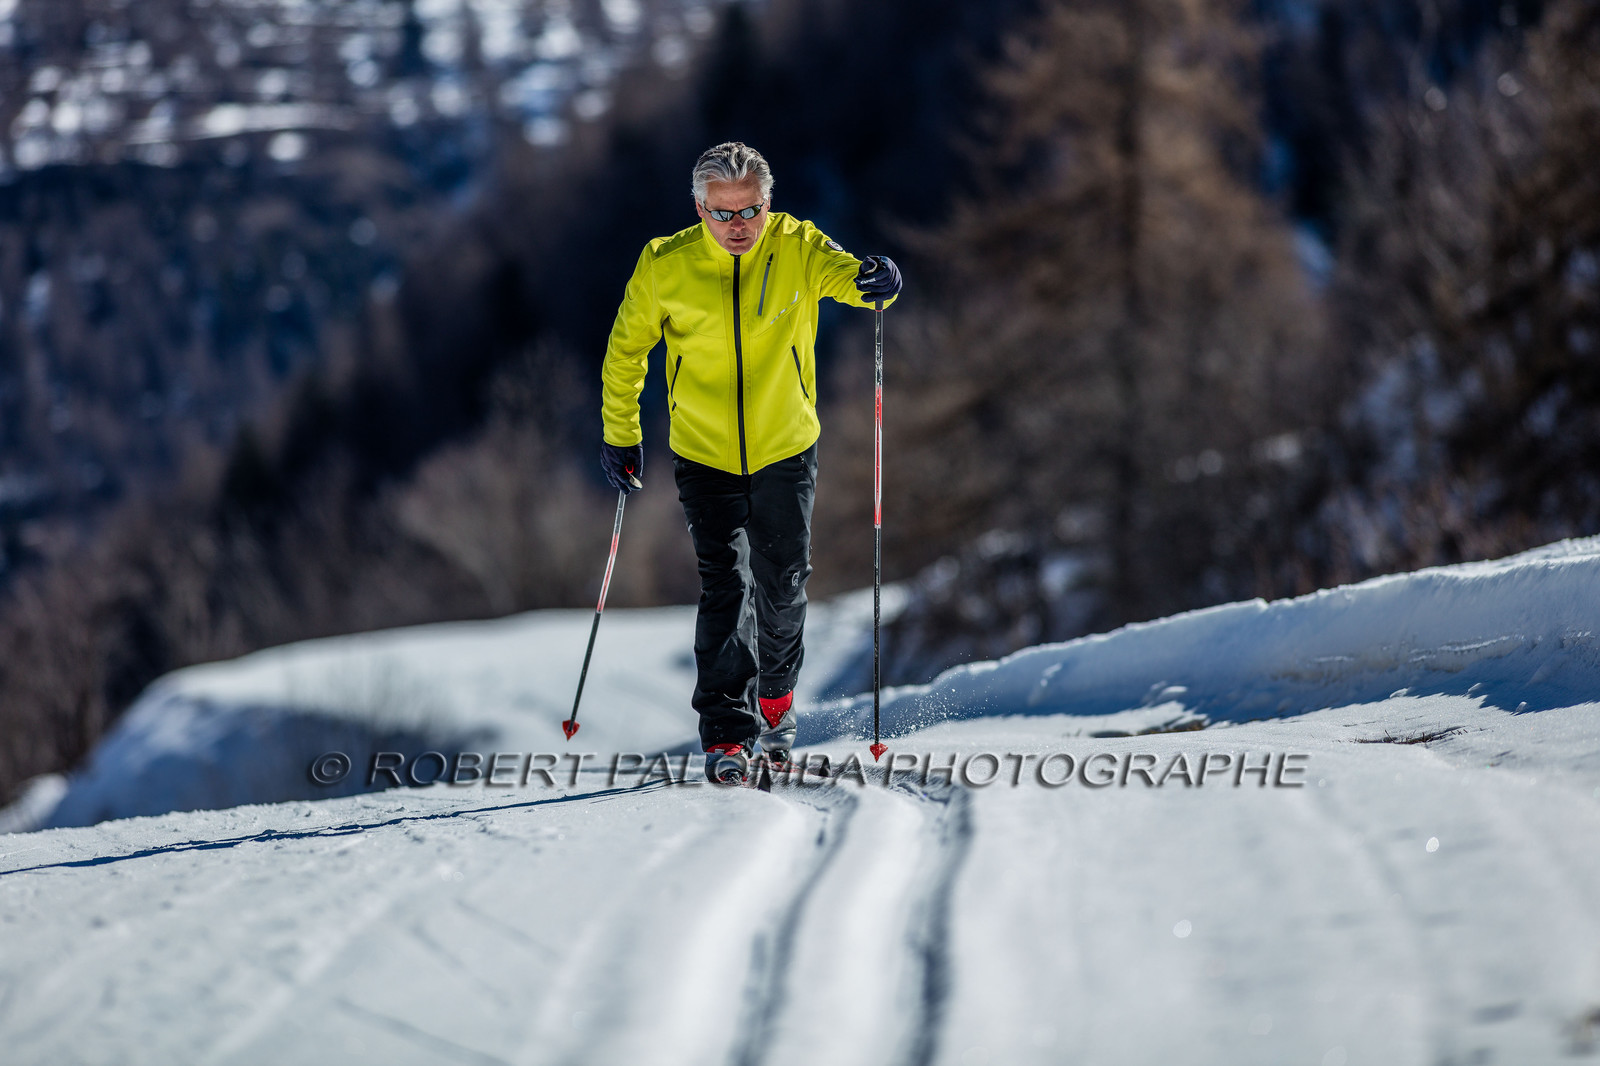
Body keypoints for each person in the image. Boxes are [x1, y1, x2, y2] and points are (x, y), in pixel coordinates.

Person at [599, 141, 901, 784]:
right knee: (724, 585)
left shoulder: (798, 246)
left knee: (783, 581)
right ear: (700, 209)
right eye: (720, 213)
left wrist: (878, 281)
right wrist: (621, 436)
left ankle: (777, 702)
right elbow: (626, 353)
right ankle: (727, 735)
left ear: (769, 203)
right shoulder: (665, 265)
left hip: (786, 446)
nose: (736, 226)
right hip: (702, 451)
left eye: (749, 211)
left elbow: (852, 279)